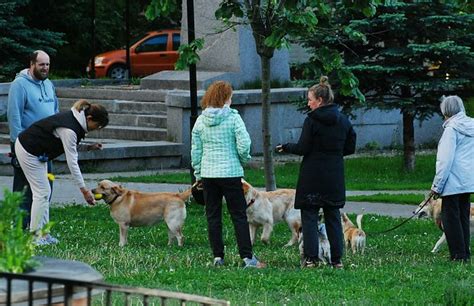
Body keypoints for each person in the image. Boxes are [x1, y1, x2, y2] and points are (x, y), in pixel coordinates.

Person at [276, 76, 356, 268]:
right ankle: (336, 260)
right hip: (334, 175)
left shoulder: (311, 121)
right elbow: (350, 147)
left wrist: (286, 147)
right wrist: (335, 154)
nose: (308, 102)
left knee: (309, 217)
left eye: (310, 99)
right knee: (333, 217)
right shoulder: (343, 120)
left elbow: (303, 147)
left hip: (312, 174)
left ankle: (311, 259)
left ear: (319, 101)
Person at [191, 81, 265, 268]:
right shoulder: (233, 118)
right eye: (230, 96)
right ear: (225, 98)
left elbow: (196, 149)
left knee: (213, 215)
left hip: (208, 174)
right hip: (231, 172)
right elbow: (244, 143)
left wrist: (198, 173)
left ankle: (218, 257)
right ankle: (247, 257)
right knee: (239, 215)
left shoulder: (201, 120)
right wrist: (242, 159)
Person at [15, 99, 109, 245]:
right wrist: (84, 190)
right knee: (42, 192)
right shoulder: (70, 128)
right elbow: (72, 162)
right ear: (89, 119)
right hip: (28, 150)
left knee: (44, 192)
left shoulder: (74, 121)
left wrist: (89, 147)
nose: (95, 129)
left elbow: (69, 145)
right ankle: (35, 237)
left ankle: (44, 235)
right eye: (96, 126)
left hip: (37, 151)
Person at [7, 50, 59, 234]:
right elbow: (14, 117)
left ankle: (39, 228)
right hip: (26, 146)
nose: (45, 68)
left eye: (47, 65)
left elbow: (55, 113)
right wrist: (16, 146)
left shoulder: (49, 84)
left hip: (46, 148)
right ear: (32, 64)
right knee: (23, 191)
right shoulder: (19, 85)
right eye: (41, 64)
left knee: (46, 189)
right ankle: (18, 229)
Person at [430, 95, 474, 263]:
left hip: (453, 181)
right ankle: (465, 253)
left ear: (445, 110)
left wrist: (437, 186)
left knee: (449, 218)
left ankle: (457, 255)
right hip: (468, 180)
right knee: (463, 216)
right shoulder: (471, 125)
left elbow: (445, 160)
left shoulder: (451, 130)